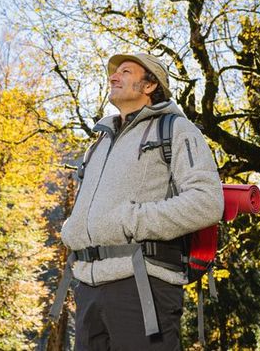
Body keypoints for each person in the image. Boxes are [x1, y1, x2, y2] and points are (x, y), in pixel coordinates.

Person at [60, 53, 224, 350]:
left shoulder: (176, 129)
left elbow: (207, 202)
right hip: (87, 289)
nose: (113, 77)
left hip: (142, 285)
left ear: (149, 85)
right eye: (114, 72)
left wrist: (132, 220)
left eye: (125, 71)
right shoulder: (99, 142)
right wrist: (71, 230)